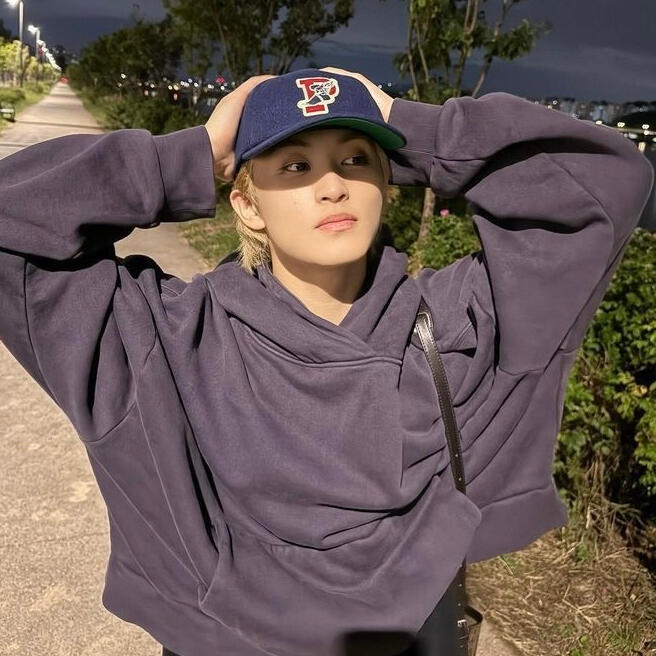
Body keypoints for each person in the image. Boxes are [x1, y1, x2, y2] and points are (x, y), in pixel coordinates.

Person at [0, 65, 653, 656]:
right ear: (246, 204)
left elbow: (601, 185)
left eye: (356, 159)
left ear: (387, 185)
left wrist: (408, 124)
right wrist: (194, 155)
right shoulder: (166, 338)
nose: (334, 186)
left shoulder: (459, 326)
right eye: (295, 166)